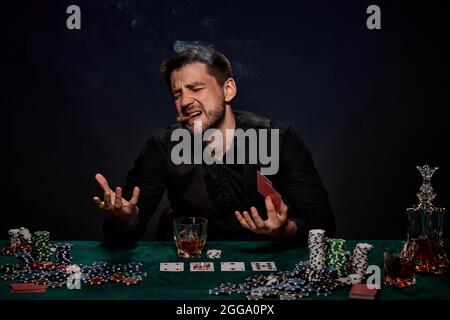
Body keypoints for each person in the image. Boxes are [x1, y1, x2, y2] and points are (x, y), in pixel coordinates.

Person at [92, 46, 335, 246]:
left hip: (269, 269)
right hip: (194, 271)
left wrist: (286, 230)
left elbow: (323, 223)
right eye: (177, 94)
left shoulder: (279, 139)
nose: (185, 101)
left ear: (228, 90)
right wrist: (126, 222)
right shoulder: (162, 147)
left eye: (195, 88)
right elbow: (121, 234)